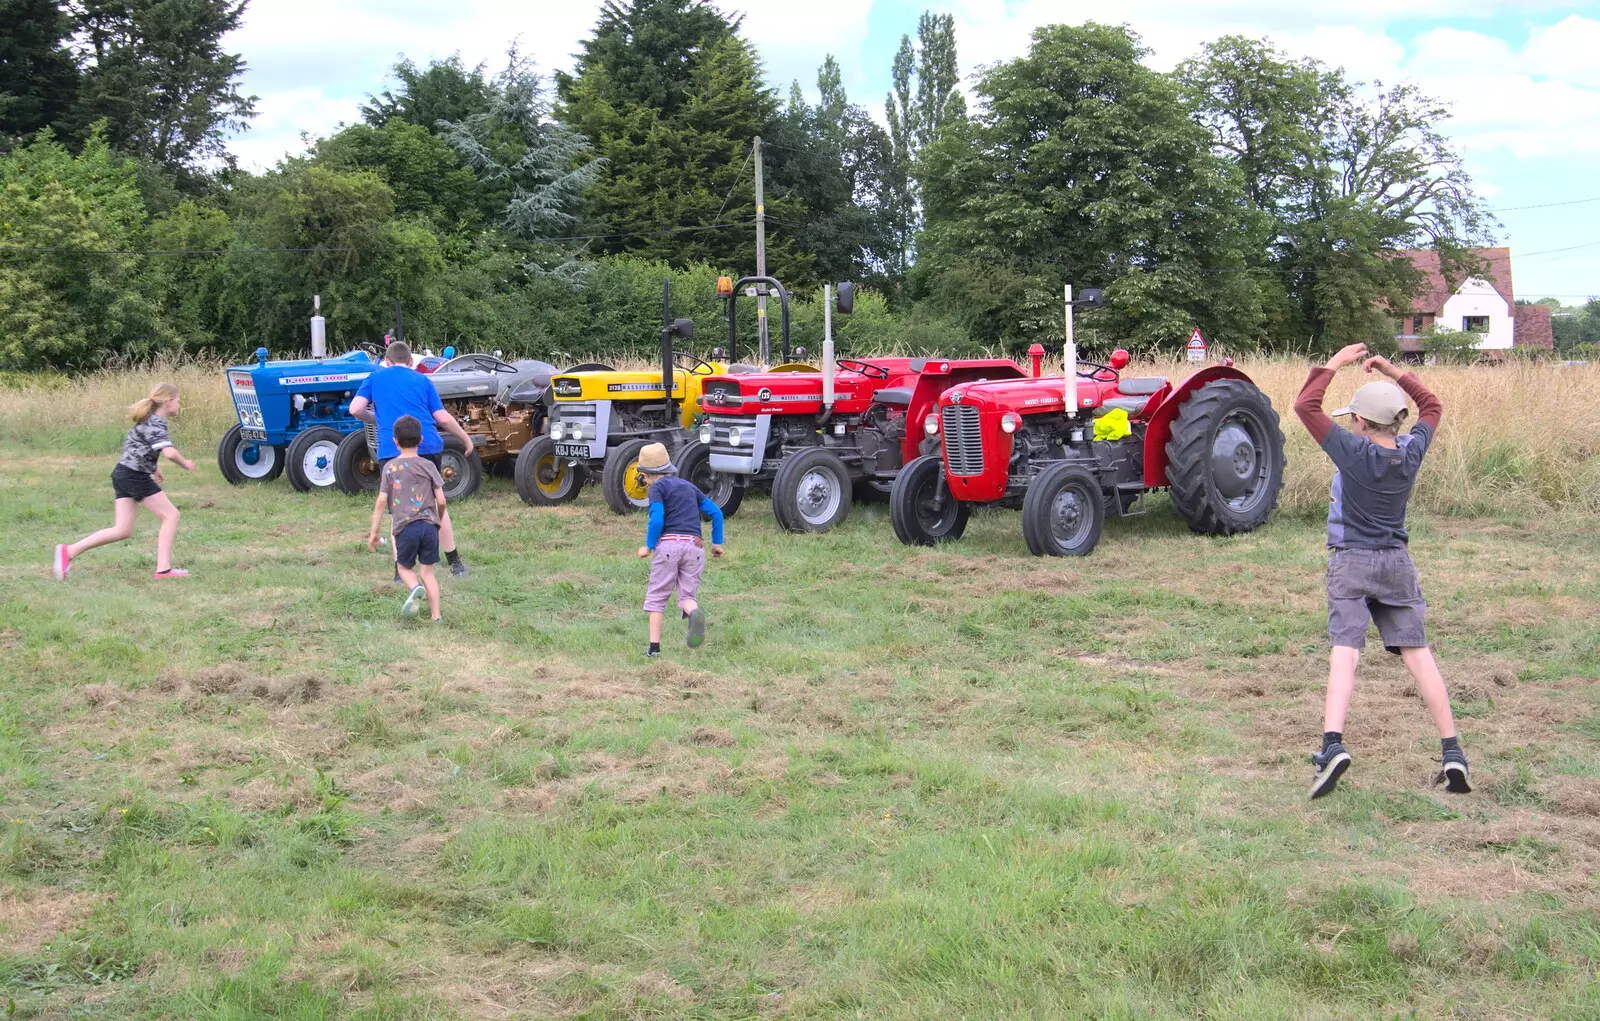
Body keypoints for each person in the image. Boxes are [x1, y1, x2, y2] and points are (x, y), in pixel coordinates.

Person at [1294, 343, 1470, 800]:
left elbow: (1304, 404)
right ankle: (1453, 752)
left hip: (1351, 560)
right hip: (1396, 563)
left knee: (1345, 650)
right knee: (1418, 653)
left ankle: (1332, 745)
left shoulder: (1352, 453)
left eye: (1354, 417)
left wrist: (1334, 363)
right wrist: (1392, 370)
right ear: (1396, 422)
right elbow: (1431, 405)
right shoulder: (1411, 451)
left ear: (1361, 423)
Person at [348, 340, 471, 578]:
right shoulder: (422, 380)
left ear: (386, 361)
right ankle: (455, 562)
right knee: (435, 505)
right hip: (427, 447)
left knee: (399, 509)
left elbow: (355, 409)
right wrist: (465, 438)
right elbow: (442, 418)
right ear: (411, 362)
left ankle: (400, 570)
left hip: (392, 451)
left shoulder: (375, 377)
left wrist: (377, 419)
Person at [54, 382, 198, 581]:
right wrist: (186, 464)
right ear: (168, 401)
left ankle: (68, 552)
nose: (179, 405)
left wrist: (154, 467)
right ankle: (164, 570)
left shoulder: (147, 420)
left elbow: (136, 446)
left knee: (122, 529)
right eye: (178, 400)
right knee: (171, 516)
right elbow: (170, 453)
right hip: (133, 476)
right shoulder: (156, 422)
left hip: (122, 473)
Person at [634, 442, 724, 658]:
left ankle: (654, 649)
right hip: (695, 547)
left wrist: (649, 545)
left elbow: (657, 519)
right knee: (686, 597)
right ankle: (694, 613)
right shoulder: (688, 486)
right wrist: (717, 543)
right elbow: (716, 512)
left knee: (657, 597)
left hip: (669, 546)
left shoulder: (657, 488)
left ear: (646, 475)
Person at [367, 415, 446, 621]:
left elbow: (381, 502)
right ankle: (436, 616)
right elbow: (442, 500)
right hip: (429, 527)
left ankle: (415, 588)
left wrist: (374, 532)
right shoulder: (428, 466)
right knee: (428, 572)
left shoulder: (390, 468)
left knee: (404, 568)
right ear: (421, 439)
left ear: (395, 441)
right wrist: (438, 519)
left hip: (405, 528)